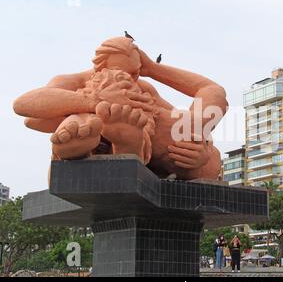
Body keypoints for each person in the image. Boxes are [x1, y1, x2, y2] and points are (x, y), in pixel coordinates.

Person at [14, 37, 228, 180]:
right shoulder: (76, 81)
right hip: (91, 151)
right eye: (123, 72)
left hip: (152, 159)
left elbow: (207, 95)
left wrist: (202, 149)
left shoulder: (143, 88)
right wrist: (97, 102)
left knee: (197, 131)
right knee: (79, 120)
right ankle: (83, 143)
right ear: (100, 67)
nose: (131, 78)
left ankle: (127, 142)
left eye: (136, 71)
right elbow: (27, 108)